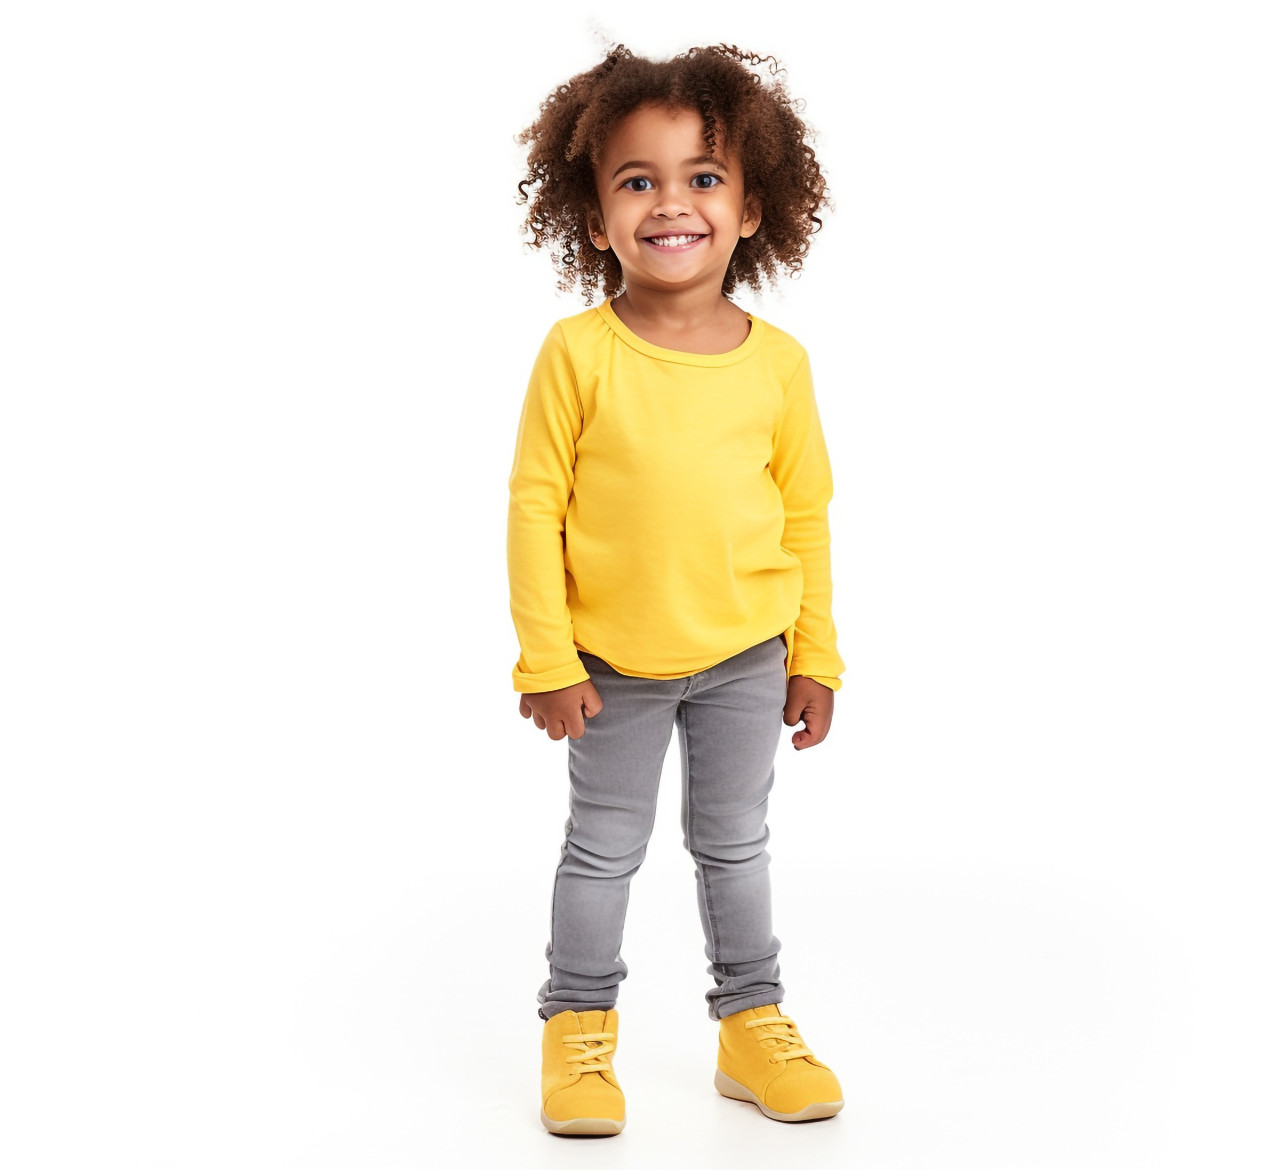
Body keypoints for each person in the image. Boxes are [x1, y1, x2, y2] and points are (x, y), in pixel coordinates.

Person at [507, 43, 846, 1135]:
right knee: (602, 849)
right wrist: (547, 658)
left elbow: (804, 518)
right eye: (636, 180)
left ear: (752, 209)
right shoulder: (577, 354)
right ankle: (576, 1028)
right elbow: (533, 511)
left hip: (747, 657)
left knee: (734, 844)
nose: (670, 203)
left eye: (703, 177)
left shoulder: (778, 364)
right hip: (610, 665)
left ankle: (751, 1024)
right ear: (595, 216)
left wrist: (815, 657)